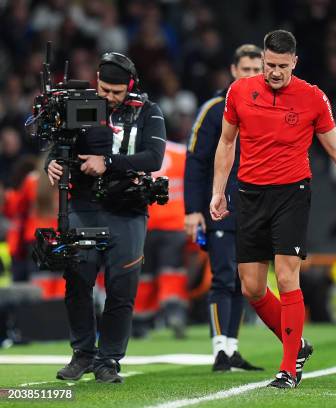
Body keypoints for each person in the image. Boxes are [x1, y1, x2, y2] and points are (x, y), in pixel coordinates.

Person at [210, 30, 336, 389]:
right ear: (263, 59)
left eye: (282, 66)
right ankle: (297, 344)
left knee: (285, 276)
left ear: (294, 62)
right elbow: (226, 142)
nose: (274, 72)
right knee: (251, 287)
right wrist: (218, 192)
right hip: (249, 193)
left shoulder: (312, 97)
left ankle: (289, 368)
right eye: (269, 65)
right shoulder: (239, 92)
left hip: (291, 194)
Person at [46, 52, 166, 383]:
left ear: (130, 86)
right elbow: (61, 148)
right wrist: (52, 165)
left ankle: (109, 359)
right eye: (104, 89)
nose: (108, 97)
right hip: (83, 205)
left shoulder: (149, 112)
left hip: (127, 209)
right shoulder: (80, 105)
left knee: (121, 286)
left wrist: (108, 162)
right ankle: (83, 353)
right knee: (78, 278)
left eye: (116, 92)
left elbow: (154, 157)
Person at [184, 44, 264, 371]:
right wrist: (193, 210)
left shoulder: (268, 108)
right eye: (245, 70)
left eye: (256, 70)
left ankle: (231, 348)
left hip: (256, 208)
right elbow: (196, 163)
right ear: (233, 71)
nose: (251, 76)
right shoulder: (215, 109)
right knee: (223, 276)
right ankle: (219, 349)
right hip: (221, 208)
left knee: (243, 281)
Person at [133, 139, 189, 339]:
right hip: (175, 224)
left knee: (144, 275)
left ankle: (140, 321)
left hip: (145, 223)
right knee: (172, 271)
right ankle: (174, 312)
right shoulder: (182, 153)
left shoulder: (137, 154)